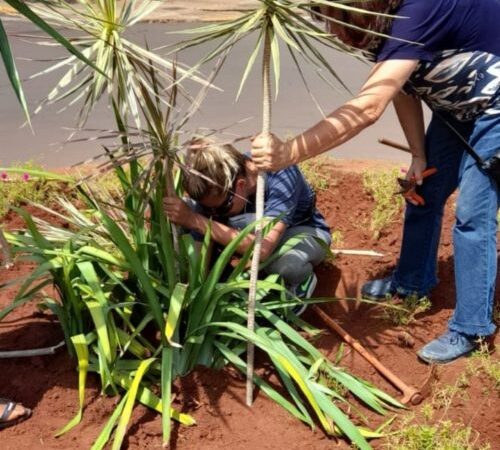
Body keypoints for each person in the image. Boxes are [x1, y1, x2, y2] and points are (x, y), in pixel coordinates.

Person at [251, 0, 500, 363]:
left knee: (472, 215)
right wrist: (418, 153)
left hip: (494, 106)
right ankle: (412, 282)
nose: (332, 32)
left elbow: (369, 107)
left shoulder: (416, 13)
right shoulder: (380, 28)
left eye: (335, 20)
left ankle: (472, 328)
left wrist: (289, 153)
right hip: (459, 107)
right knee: (423, 189)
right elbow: (403, 88)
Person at [163, 139, 332, 313]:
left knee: (287, 266)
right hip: (244, 232)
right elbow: (200, 243)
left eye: (221, 207)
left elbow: (262, 247)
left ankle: (299, 283)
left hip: (297, 233)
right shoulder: (215, 183)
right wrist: (196, 293)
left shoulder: (280, 173)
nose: (214, 211)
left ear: (241, 185)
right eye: (208, 207)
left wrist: (194, 220)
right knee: (183, 209)